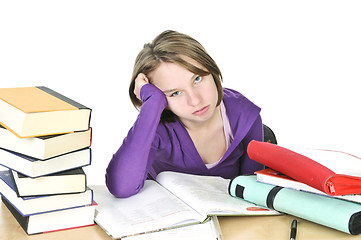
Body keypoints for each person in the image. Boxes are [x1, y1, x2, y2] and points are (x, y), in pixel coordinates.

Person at [106, 30, 264, 198]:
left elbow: (253, 193)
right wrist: (152, 103)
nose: (195, 100)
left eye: (197, 79)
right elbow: (121, 188)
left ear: (211, 70)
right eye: (175, 93)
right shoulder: (157, 128)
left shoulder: (244, 115)